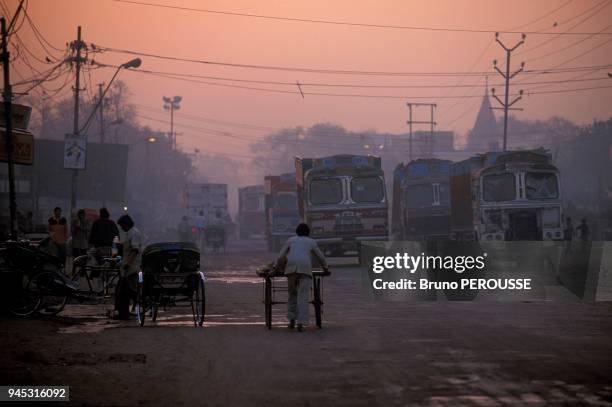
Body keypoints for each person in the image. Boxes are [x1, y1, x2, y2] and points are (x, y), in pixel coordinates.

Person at [276, 223, 329, 332]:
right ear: (308, 232)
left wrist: (276, 267)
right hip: (305, 269)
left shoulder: (291, 240)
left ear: (296, 232)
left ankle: (291, 320)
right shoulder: (311, 242)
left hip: (291, 268)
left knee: (292, 294)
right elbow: (320, 257)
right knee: (303, 296)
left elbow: (281, 256)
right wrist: (325, 268)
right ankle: (301, 323)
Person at [114, 214, 143, 320]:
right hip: (127, 267)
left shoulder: (134, 233)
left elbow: (134, 251)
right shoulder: (128, 233)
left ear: (126, 224)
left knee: (129, 291)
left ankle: (127, 312)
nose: (121, 228)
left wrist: (127, 264)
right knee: (123, 291)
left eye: (122, 225)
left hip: (132, 267)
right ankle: (123, 313)